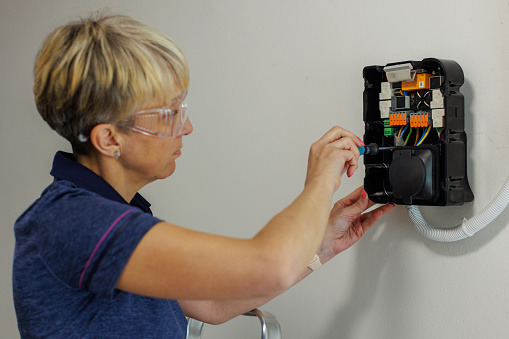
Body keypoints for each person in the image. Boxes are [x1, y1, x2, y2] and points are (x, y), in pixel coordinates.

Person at [12, 13, 394, 338]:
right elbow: (269, 266)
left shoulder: (113, 215)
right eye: (170, 113)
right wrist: (320, 182)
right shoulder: (73, 222)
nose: (187, 126)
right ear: (109, 138)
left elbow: (212, 304)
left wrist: (324, 243)